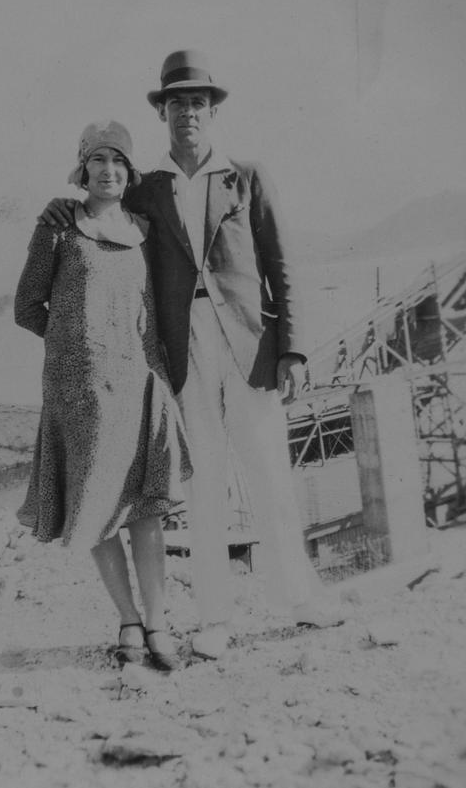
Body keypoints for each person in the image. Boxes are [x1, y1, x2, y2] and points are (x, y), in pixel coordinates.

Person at [41, 52, 339, 659]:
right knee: (201, 483)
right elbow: (100, 215)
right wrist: (59, 210)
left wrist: (294, 349)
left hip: (250, 347)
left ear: (212, 111)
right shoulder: (146, 188)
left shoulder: (247, 177)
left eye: (197, 103)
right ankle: (214, 618)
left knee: (269, 472)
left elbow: (281, 265)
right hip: (181, 353)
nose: (188, 113)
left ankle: (301, 599)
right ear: (164, 113)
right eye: (176, 103)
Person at [15, 120, 192, 670]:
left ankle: (158, 622)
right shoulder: (58, 228)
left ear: (129, 172)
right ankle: (128, 620)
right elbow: (26, 307)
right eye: (98, 160)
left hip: (139, 385)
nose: (108, 170)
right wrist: (76, 349)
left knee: (144, 508)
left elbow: (153, 311)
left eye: (118, 161)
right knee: (96, 506)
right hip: (80, 393)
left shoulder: (143, 230)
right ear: (83, 168)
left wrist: (149, 370)